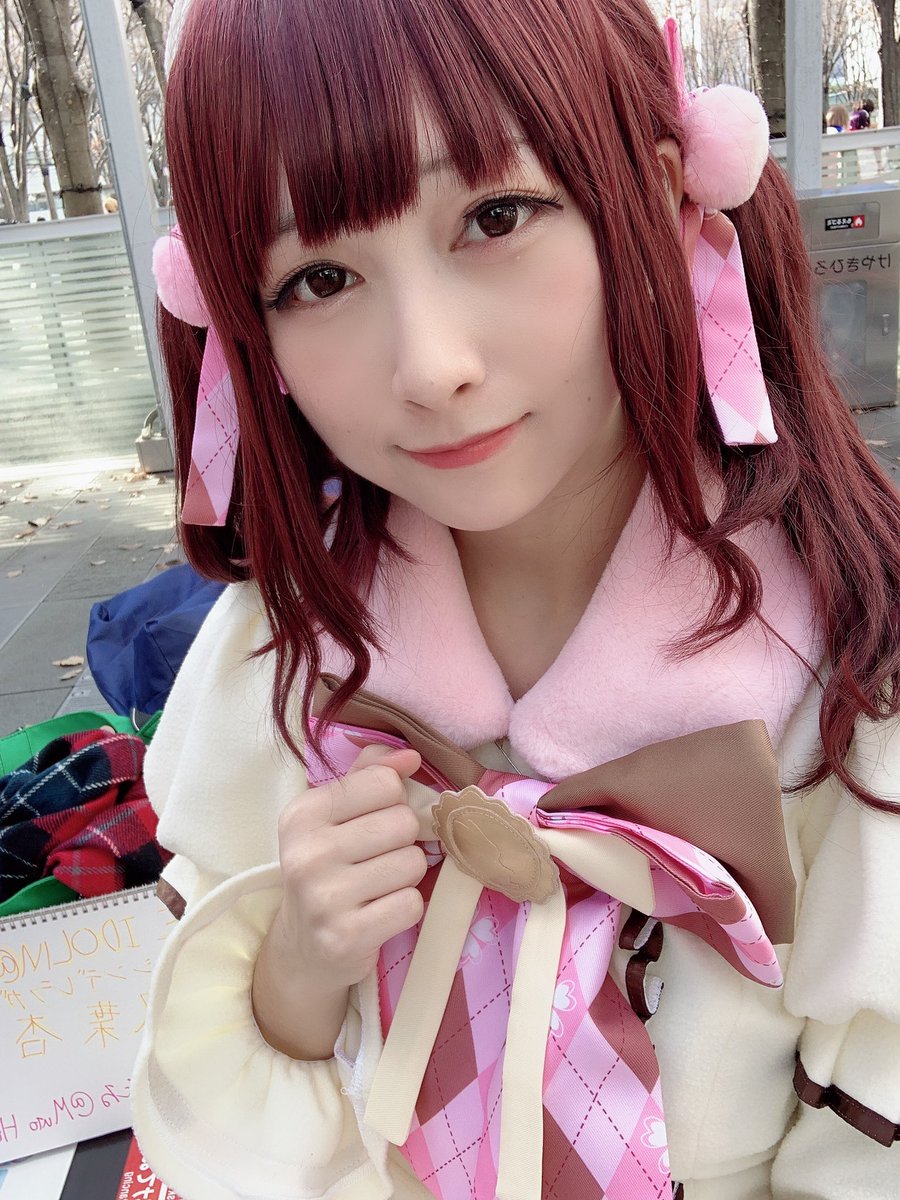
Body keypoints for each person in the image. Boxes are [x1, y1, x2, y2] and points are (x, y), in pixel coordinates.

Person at [131, 0, 900, 1197]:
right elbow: (227, 1136)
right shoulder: (276, 653)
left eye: (495, 217)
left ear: (662, 191)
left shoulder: (849, 659)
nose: (431, 365)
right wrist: (298, 963)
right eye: (319, 278)